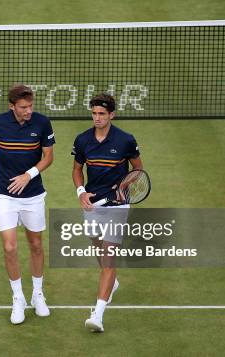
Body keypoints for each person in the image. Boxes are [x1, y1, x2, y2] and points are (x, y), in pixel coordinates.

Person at [0, 84, 55, 324]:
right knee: (9, 247)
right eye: (23, 107)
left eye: (30, 106)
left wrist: (28, 175)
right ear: (12, 107)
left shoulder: (42, 123)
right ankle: (18, 298)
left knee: (36, 244)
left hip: (33, 194)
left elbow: (49, 157)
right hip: (4, 193)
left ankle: (38, 294)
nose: (28, 111)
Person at [71, 93, 143, 332]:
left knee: (109, 258)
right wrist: (81, 192)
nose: (97, 118)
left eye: (102, 114)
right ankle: (112, 283)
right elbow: (77, 169)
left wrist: (123, 187)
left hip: (118, 205)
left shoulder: (125, 140)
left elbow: (138, 170)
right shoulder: (82, 140)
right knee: (98, 247)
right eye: (94, 114)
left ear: (111, 115)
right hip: (93, 203)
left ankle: (98, 314)